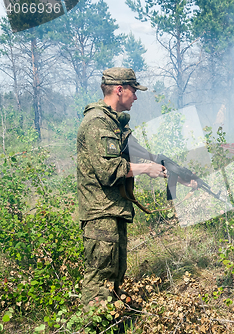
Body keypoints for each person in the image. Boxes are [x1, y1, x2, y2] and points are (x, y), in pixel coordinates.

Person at [76, 67, 195, 310]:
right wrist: (145, 169)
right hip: (101, 214)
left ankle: (112, 322)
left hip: (112, 212)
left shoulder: (114, 124)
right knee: (100, 283)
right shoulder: (98, 123)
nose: (136, 97)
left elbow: (145, 156)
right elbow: (109, 171)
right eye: (133, 90)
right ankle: (94, 325)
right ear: (120, 90)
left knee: (114, 279)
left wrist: (178, 175)